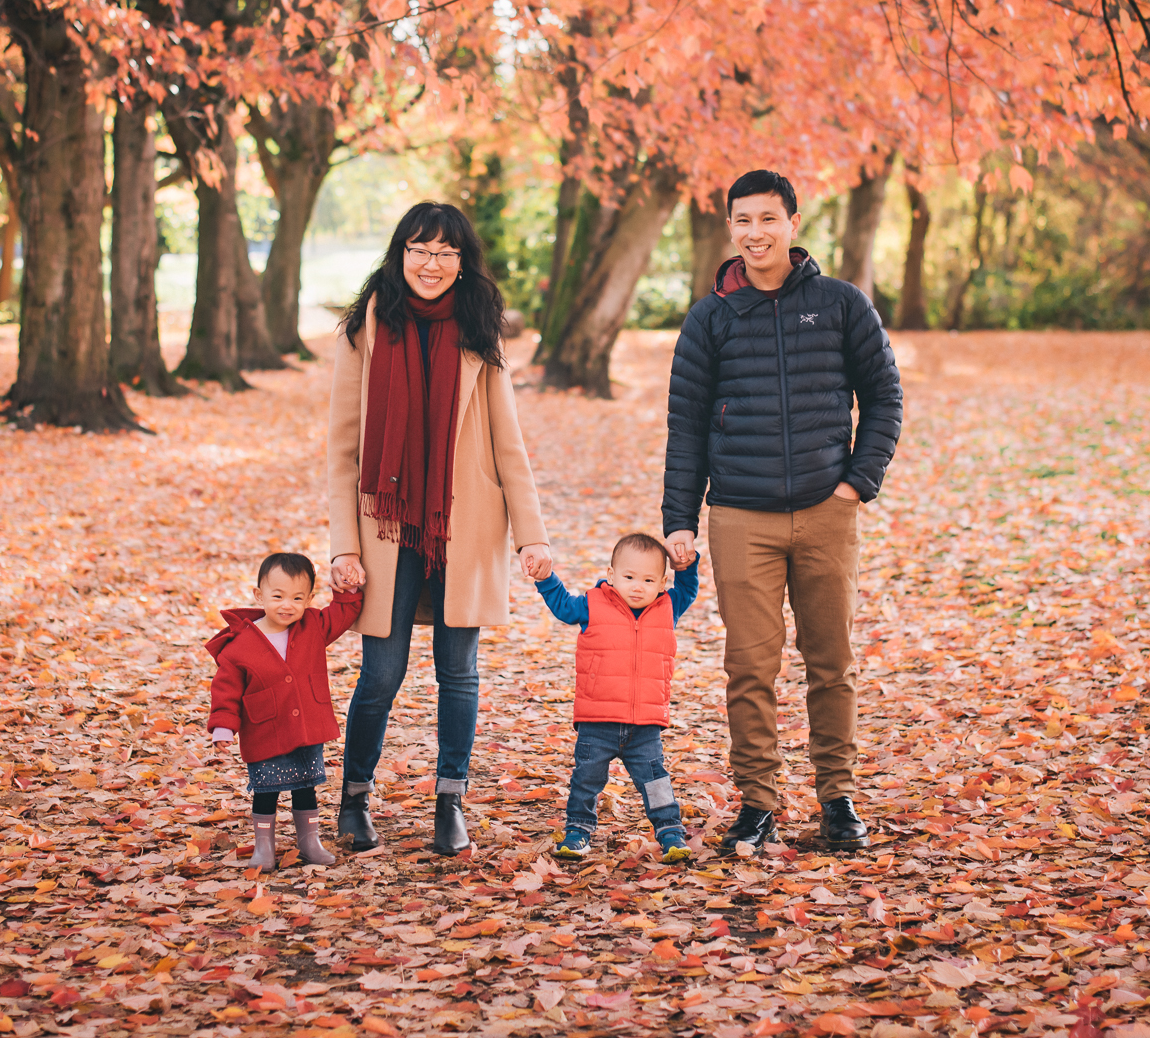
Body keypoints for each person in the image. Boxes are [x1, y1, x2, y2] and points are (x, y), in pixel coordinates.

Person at [662, 169, 904, 856]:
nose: (755, 232)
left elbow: (885, 396)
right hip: (741, 515)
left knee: (831, 659)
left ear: (793, 223)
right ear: (729, 228)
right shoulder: (711, 317)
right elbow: (686, 425)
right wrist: (679, 516)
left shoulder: (839, 304)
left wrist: (858, 482)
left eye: (768, 218)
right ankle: (759, 803)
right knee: (750, 665)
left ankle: (838, 797)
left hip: (828, 511)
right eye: (743, 220)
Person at [327, 201, 552, 857]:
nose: (432, 263)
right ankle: (355, 796)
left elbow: (509, 442)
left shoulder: (481, 326)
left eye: (445, 252)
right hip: (386, 525)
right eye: (420, 249)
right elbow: (342, 447)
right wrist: (343, 544)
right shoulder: (365, 329)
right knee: (382, 672)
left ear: (462, 261)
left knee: (459, 670)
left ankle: (450, 802)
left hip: (465, 520)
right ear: (400, 254)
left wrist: (531, 534)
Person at [533, 533, 701, 863]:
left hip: (645, 727)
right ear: (611, 576)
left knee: (656, 782)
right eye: (629, 577)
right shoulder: (593, 605)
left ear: (662, 583)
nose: (638, 586)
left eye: (648, 579)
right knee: (586, 781)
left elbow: (689, 589)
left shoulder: (668, 607)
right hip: (598, 722)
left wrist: (687, 566)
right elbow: (563, 607)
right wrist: (545, 579)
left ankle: (671, 834)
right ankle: (577, 833)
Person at [207, 552, 365, 870]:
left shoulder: (313, 626)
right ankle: (264, 848)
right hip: (265, 730)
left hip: (305, 729)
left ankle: (310, 843)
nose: (287, 605)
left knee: (305, 788)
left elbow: (343, 613)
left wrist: (347, 589)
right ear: (259, 595)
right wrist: (223, 726)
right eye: (277, 596)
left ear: (308, 599)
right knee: (266, 792)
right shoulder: (240, 645)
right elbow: (225, 689)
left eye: (297, 597)